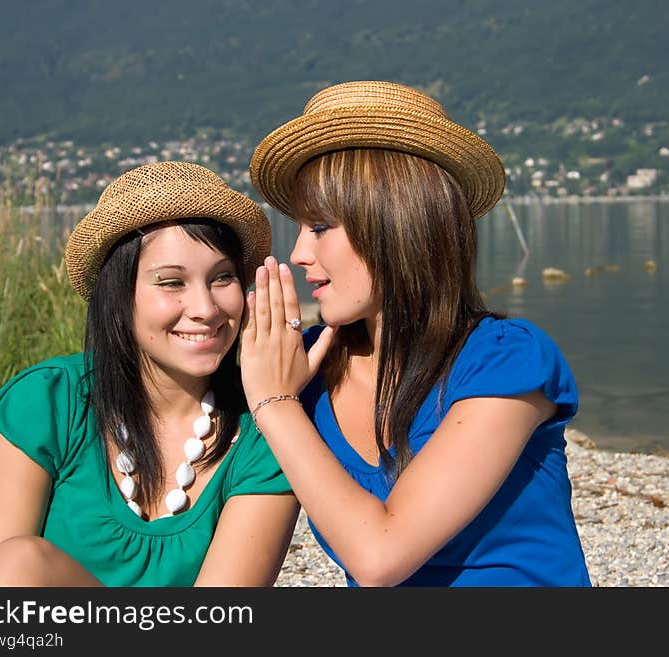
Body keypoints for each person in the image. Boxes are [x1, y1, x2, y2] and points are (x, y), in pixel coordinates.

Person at [242, 80, 591, 587]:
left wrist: (274, 402)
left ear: (395, 224)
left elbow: (380, 556)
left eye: (319, 227)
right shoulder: (304, 366)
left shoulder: (505, 361)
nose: (297, 254)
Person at [0, 161, 300, 587]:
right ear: (119, 298)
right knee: (17, 563)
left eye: (222, 278)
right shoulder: (51, 401)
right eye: (171, 283)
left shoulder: (266, 428)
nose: (205, 308)